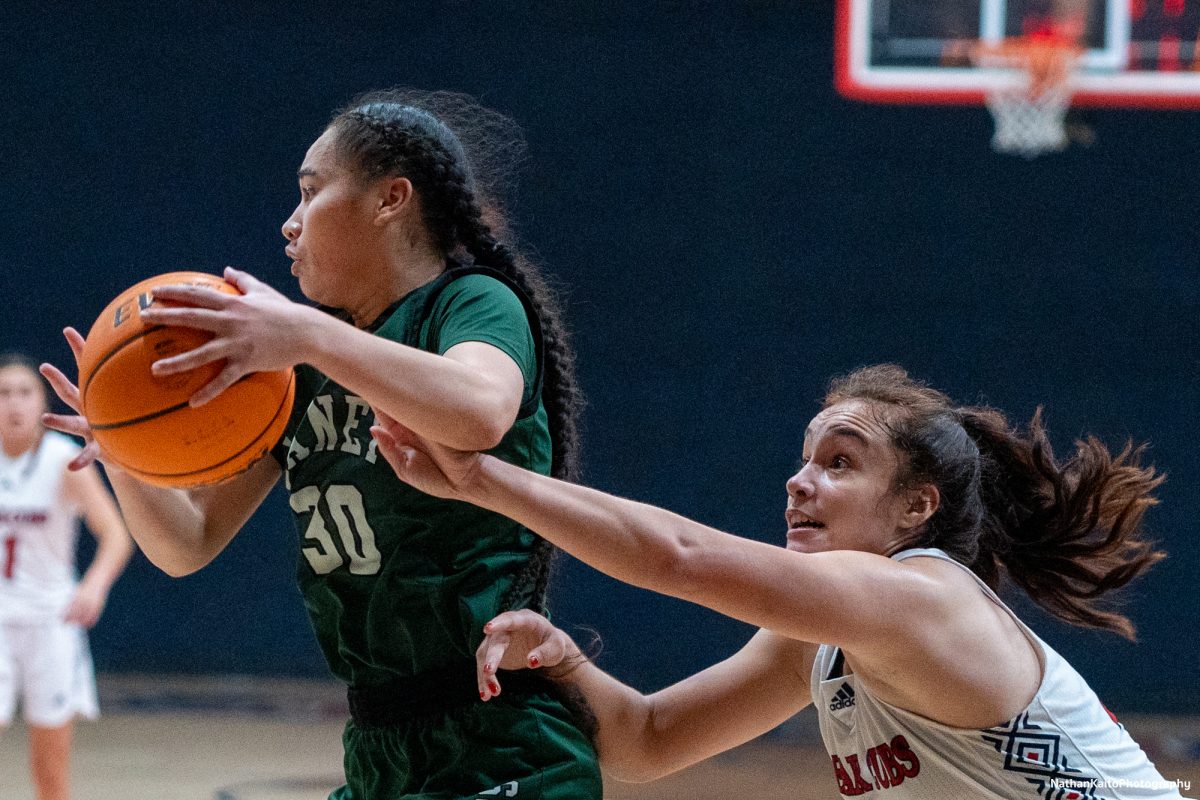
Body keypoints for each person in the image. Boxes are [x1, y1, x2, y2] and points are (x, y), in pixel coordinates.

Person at [41, 90, 600, 800]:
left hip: (500, 733)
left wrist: (308, 334)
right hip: (378, 744)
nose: (289, 222)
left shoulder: (472, 303)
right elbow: (190, 541)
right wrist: (129, 455)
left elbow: (480, 410)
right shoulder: (297, 373)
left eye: (311, 192)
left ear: (390, 199)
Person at [371, 363, 1189, 799]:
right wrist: (563, 661)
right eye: (802, 460)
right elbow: (648, 743)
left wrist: (482, 479)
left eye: (839, 462)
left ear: (915, 508)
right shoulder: (816, 645)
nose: (799, 482)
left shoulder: (923, 598)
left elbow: (679, 558)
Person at [0, 352, 133, 800]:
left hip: (49, 622)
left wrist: (92, 587)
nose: (13, 404)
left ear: (41, 402)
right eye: (3, 394)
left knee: (50, 772)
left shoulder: (64, 459)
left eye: (24, 392)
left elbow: (115, 533)